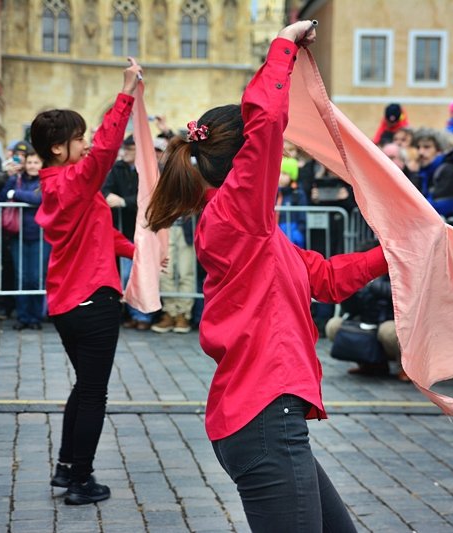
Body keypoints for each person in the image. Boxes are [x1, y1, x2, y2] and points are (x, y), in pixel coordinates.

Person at [146, 21, 387, 531]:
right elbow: (267, 124)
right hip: (264, 422)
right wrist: (283, 46)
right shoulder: (235, 217)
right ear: (241, 166)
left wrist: (391, 253)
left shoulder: (250, 227)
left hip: (266, 421)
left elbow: (322, 278)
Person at [29, 58, 142, 505]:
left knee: (83, 386)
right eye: (77, 139)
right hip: (92, 302)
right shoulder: (72, 182)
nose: (85, 144)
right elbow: (107, 149)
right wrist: (126, 93)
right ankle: (81, 481)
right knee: (94, 392)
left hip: (66, 304)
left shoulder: (59, 186)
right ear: (58, 148)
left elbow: (102, 233)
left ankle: (64, 469)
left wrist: (139, 253)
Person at [102, 135, 151, 330]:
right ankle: (131, 313)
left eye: (131, 148)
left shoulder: (146, 169)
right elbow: (104, 190)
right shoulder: (118, 168)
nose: (127, 152)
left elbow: (149, 195)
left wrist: (124, 201)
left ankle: (143, 316)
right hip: (123, 229)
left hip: (143, 227)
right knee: (126, 275)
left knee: (141, 274)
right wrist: (110, 197)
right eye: (126, 148)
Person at [0, 151, 48, 330]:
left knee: (36, 278)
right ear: (24, 164)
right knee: (21, 278)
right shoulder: (15, 180)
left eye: (37, 162)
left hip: (40, 236)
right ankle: (23, 316)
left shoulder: (46, 180)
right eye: (30, 162)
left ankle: (35, 317)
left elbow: (39, 198)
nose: (33, 165)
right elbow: (3, 196)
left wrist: (15, 194)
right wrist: (12, 190)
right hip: (17, 235)